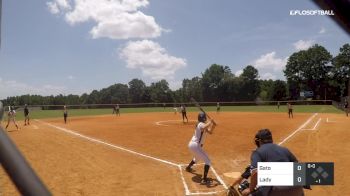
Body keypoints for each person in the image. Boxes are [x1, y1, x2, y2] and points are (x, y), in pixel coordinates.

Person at [228, 129, 305, 196]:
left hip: (277, 191)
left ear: (259, 141)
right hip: (297, 190)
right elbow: (300, 170)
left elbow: (255, 173)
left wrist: (250, 190)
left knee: (244, 189)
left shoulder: (258, 152)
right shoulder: (285, 150)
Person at [185, 112, 216, 184]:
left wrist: (213, 125)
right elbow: (204, 127)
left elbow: (210, 132)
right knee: (208, 161)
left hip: (192, 145)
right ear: (204, 118)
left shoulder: (202, 125)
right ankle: (204, 179)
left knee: (197, 158)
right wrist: (210, 121)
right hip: (196, 146)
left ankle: (188, 167)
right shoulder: (200, 124)